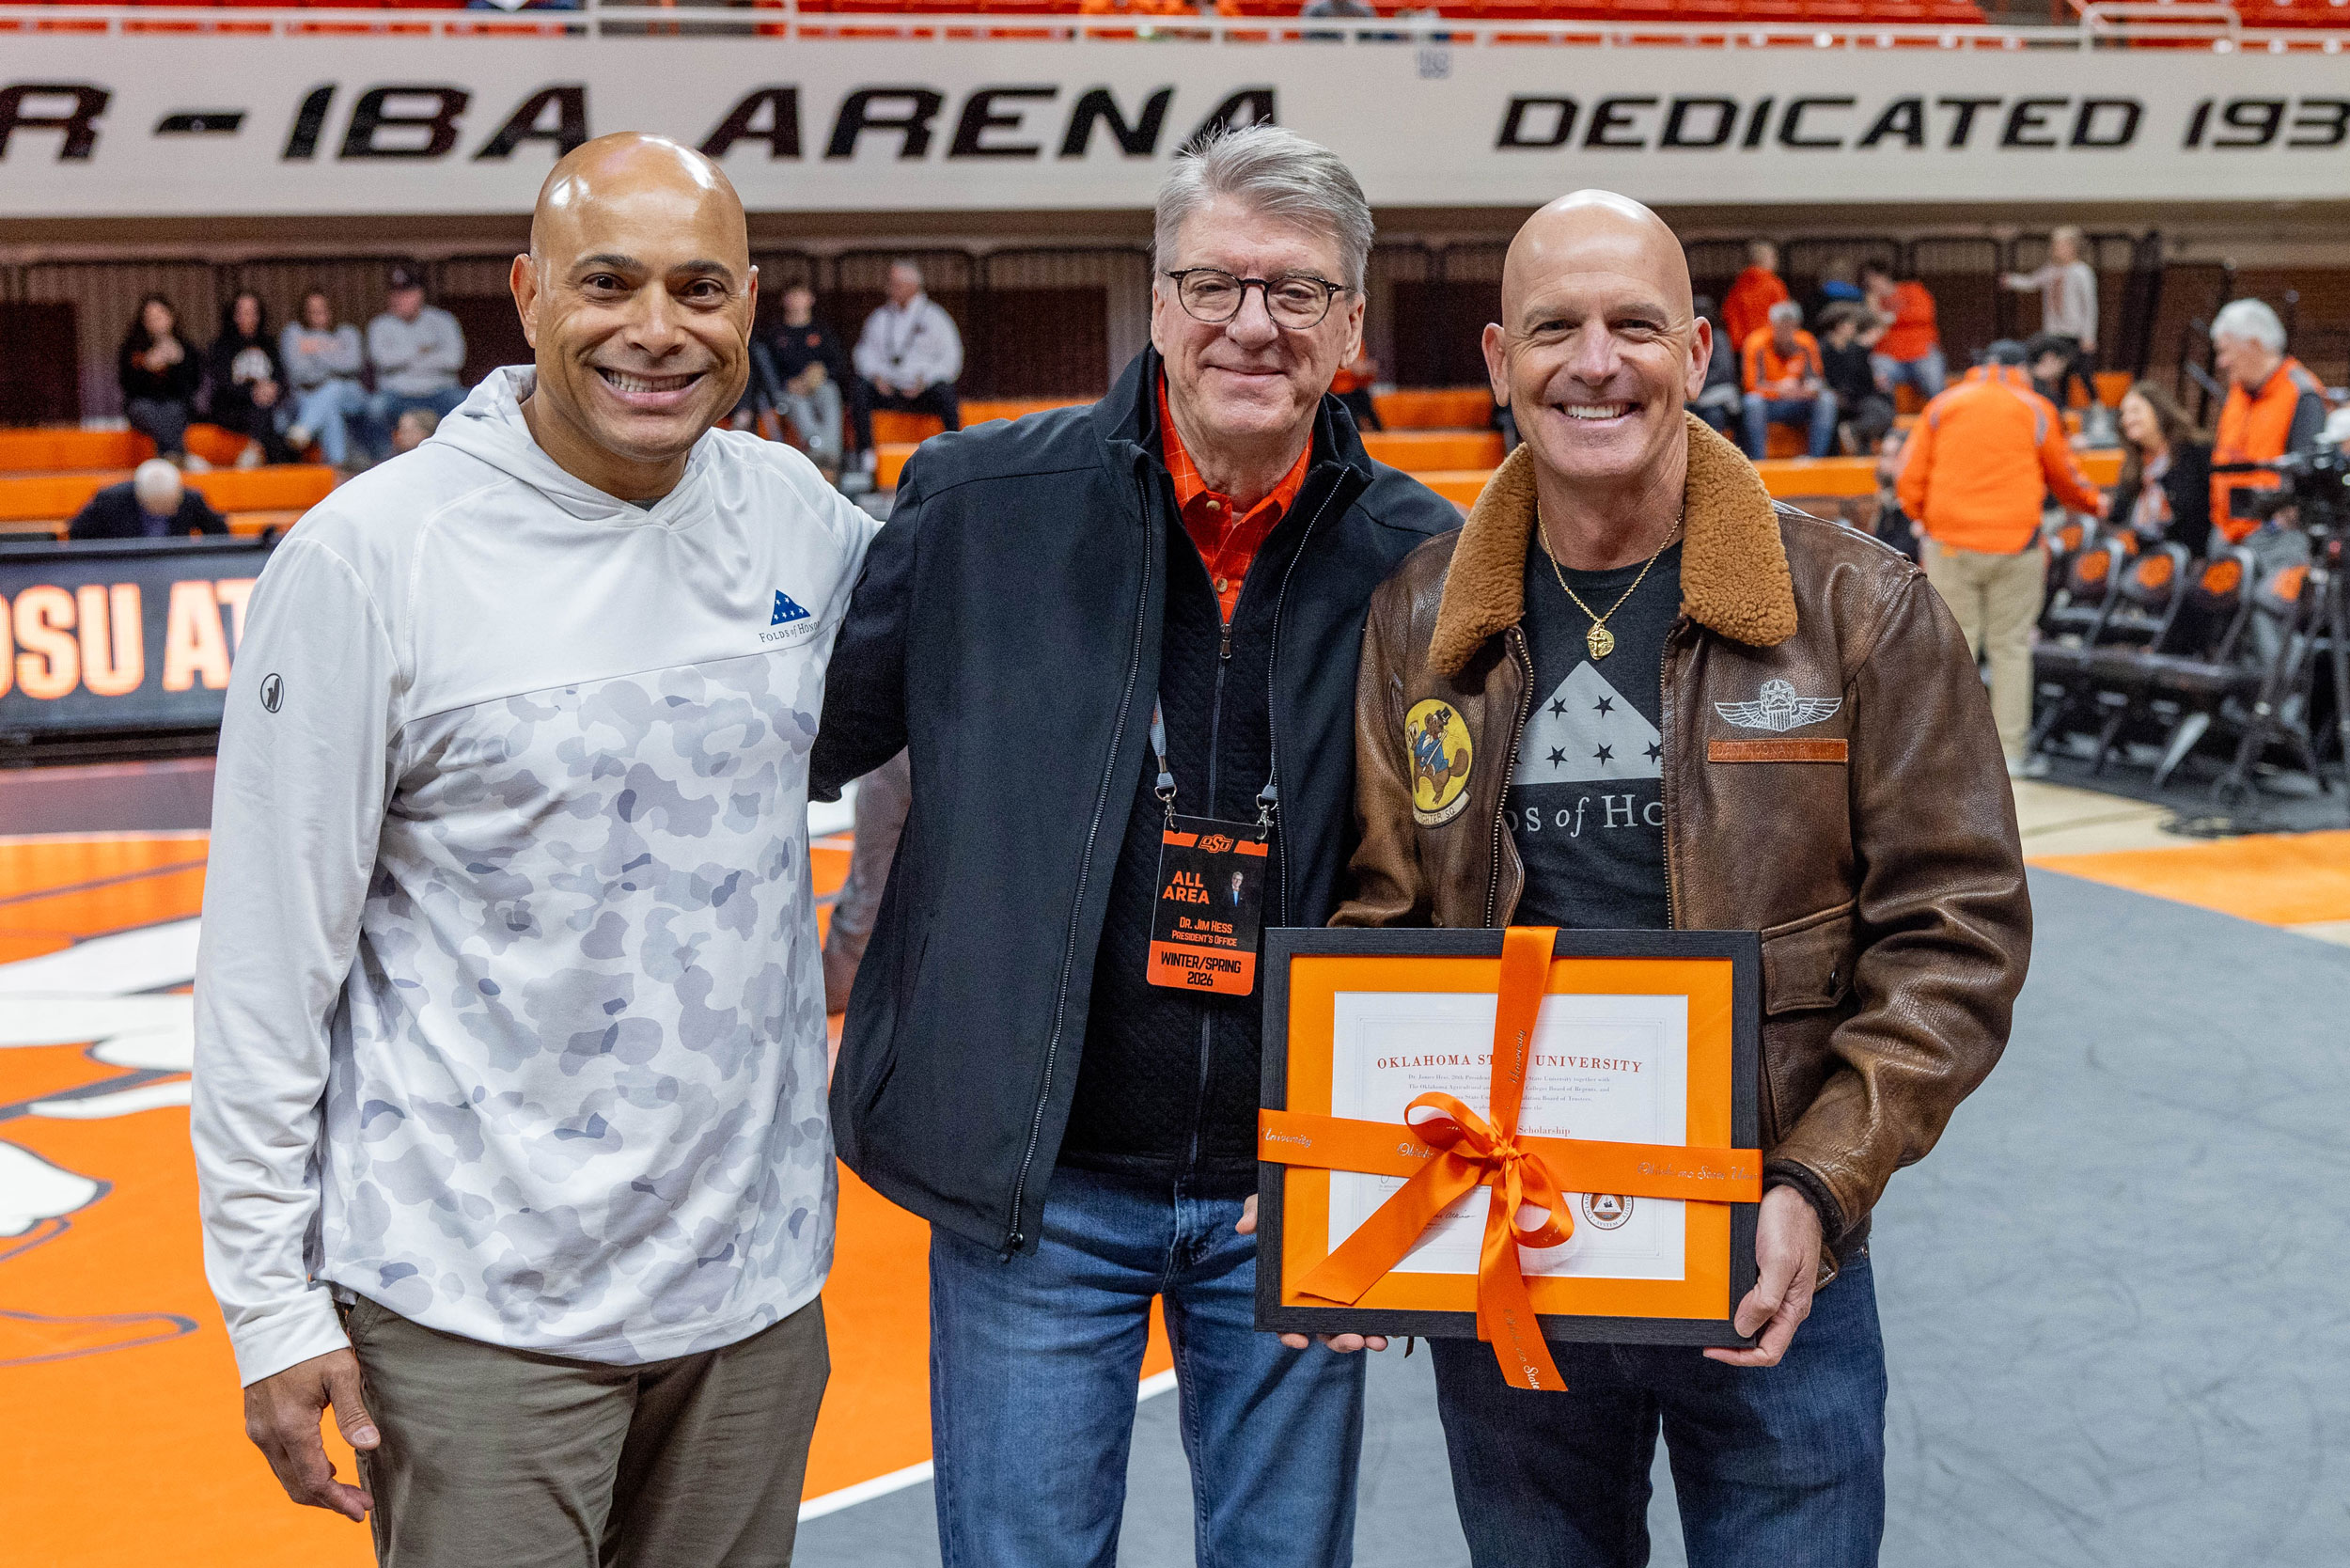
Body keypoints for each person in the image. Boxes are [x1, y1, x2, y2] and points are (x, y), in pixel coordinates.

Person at [194, 132, 874, 1566]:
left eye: (699, 289)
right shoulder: (367, 557)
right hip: (472, 1314)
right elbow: (266, 961)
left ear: (751, 306)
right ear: (525, 293)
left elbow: (947, 731)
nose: (656, 330)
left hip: (749, 1303)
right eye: (608, 282)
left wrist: (869, 927)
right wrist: (267, 1300)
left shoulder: (799, 526)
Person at [1332, 187, 2030, 1568]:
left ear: (1700, 353)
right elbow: (1386, 915)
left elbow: (1958, 934)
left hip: (1775, 1257)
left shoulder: (1859, 608)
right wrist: (1361, 1191)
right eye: (1555, 329)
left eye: (1634, 325)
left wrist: (1821, 1185)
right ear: (1495, 362)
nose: (1596, 362)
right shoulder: (1420, 614)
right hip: (1515, 1258)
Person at [808, 125, 1459, 1568]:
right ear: (1157, 300)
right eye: (1215, 282)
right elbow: (799, 743)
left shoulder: (1431, 558)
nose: (1251, 324)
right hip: (1038, 1195)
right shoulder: (978, 505)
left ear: (1352, 325)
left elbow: (1464, 873)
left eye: (1297, 294)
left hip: (1295, 1190)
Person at [1898, 339, 2104, 777]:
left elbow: (1908, 476)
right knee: (2010, 648)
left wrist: (1925, 519)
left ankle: (1948, 756)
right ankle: (2011, 754)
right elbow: (2065, 475)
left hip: (1951, 544)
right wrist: (2096, 506)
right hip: (2017, 545)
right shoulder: (2035, 407)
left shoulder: (1943, 404)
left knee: (1955, 649)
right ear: (2022, 369)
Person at [2207, 297, 2329, 558]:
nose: (2222, 362)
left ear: (2253, 344)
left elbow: (2307, 475)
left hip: (2274, 542)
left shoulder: (2301, 392)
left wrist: (2273, 526)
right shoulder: (2238, 393)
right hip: (2225, 534)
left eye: (2226, 351)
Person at [849, 258, 963, 475]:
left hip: (922, 390)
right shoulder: (880, 318)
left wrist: (925, 380)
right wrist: (877, 376)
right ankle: (867, 457)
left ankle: (955, 452)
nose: (890, 289)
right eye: (890, 284)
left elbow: (951, 359)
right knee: (860, 388)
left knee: (946, 392)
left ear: (913, 286)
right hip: (888, 388)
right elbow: (863, 353)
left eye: (896, 284)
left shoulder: (936, 317)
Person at [365, 262, 468, 460]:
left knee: (467, 402)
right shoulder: (379, 325)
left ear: (420, 294)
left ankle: (460, 458)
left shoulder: (443, 321)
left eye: (407, 293)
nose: (400, 299)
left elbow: (454, 360)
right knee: (374, 408)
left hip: (439, 392)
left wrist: (403, 361)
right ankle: (382, 462)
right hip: (397, 395)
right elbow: (382, 361)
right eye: (395, 294)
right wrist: (424, 351)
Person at [755, 282, 851, 476]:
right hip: (788, 392)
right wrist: (787, 383)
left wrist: (822, 373)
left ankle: (831, 456)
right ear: (785, 300)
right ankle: (817, 454)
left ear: (811, 299)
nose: (797, 300)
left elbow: (840, 366)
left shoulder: (822, 331)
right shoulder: (774, 334)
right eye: (793, 295)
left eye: (801, 295)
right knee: (798, 404)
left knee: (830, 392)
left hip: (818, 386)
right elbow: (766, 371)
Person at [2112, 381, 2214, 558]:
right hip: (2142, 557)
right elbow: (2118, 515)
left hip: (2189, 556)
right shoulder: (2133, 465)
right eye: (2124, 414)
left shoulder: (2196, 451)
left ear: (2159, 410)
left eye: (2135, 411)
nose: (2127, 420)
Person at [2003, 226, 2097, 411]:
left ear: (2072, 247)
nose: (2056, 249)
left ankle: (2097, 407)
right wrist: (2011, 280)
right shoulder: (2051, 270)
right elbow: (2031, 282)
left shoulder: (2081, 272)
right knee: (2060, 374)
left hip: (2075, 333)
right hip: (2055, 333)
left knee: (2084, 373)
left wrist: (2089, 335)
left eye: (2061, 245)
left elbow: (2090, 305)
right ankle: (2062, 411)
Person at [280, 290, 370, 469]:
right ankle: (337, 467)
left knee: (334, 387)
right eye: (312, 310)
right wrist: (333, 356)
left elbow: (353, 365)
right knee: (330, 408)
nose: (317, 315)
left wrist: (316, 350)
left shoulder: (347, 332)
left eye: (322, 310)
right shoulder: (293, 333)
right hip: (308, 396)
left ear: (332, 310)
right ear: (304, 313)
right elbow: (299, 373)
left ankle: (305, 427)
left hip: (350, 394)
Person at [205, 291, 295, 468]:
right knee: (266, 415)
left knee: (273, 420)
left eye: (253, 312)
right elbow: (222, 384)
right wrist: (251, 392)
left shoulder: (269, 344)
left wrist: (272, 389)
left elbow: (281, 378)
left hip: (266, 407)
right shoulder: (221, 346)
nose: (248, 318)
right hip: (232, 408)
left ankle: (256, 455)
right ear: (234, 316)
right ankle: (254, 455)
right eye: (243, 312)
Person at [1741, 300, 1838, 460]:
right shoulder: (1756, 342)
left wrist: (1806, 389)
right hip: (1770, 403)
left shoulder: (1806, 342)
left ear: (1797, 325)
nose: (1786, 331)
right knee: (1752, 402)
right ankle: (1759, 461)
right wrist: (1778, 389)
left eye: (1790, 326)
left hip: (1799, 401)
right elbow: (1751, 386)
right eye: (1781, 326)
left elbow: (1817, 380)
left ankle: (1814, 460)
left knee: (1827, 400)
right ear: (1772, 325)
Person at [118, 294, 203, 468]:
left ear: (171, 317)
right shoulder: (133, 348)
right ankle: (178, 455)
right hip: (143, 404)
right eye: (150, 318)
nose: (156, 322)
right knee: (146, 409)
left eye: (160, 316)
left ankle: (168, 457)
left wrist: (178, 364)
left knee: (174, 410)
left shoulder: (185, 348)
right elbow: (127, 386)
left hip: (175, 403)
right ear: (143, 322)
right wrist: (146, 368)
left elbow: (193, 386)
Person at [67, 458, 227, 540]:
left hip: (174, 569)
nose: (161, 513)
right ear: (139, 496)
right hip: (125, 570)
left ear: (178, 495)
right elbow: (77, 533)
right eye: (155, 507)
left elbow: (220, 533)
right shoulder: (110, 501)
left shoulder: (191, 500)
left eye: (167, 507)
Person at [1862, 259, 1944, 400]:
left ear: (1885, 275)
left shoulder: (1912, 290)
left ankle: (1941, 417)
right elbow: (1870, 329)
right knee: (1877, 367)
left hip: (1920, 353)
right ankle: (1886, 418)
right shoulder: (1871, 300)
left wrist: (1892, 318)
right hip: (1890, 358)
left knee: (1932, 374)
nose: (1871, 282)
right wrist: (1873, 306)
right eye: (1867, 279)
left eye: (1874, 277)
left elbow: (1924, 314)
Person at [1818, 302, 1894, 453]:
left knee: (1884, 404)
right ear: (1840, 325)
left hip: (1855, 398)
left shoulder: (1854, 349)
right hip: (1836, 399)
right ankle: (1853, 430)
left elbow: (1864, 382)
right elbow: (1819, 378)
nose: (1854, 327)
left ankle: (1859, 443)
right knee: (1879, 410)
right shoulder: (1821, 349)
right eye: (1850, 323)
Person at [1721, 238, 1788, 356]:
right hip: (1769, 346)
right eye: (1773, 257)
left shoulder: (1738, 286)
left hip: (1742, 348)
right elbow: (1784, 316)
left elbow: (1728, 315)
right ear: (1766, 259)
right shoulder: (1775, 285)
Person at [1687, 293, 1742, 439]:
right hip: (1693, 396)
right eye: (1697, 310)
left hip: (1715, 396)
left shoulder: (1719, 337)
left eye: (1704, 310)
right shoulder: (1687, 338)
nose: (1701, 314)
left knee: (1714, 413)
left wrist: (1697, 384)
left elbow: (1723, 373)